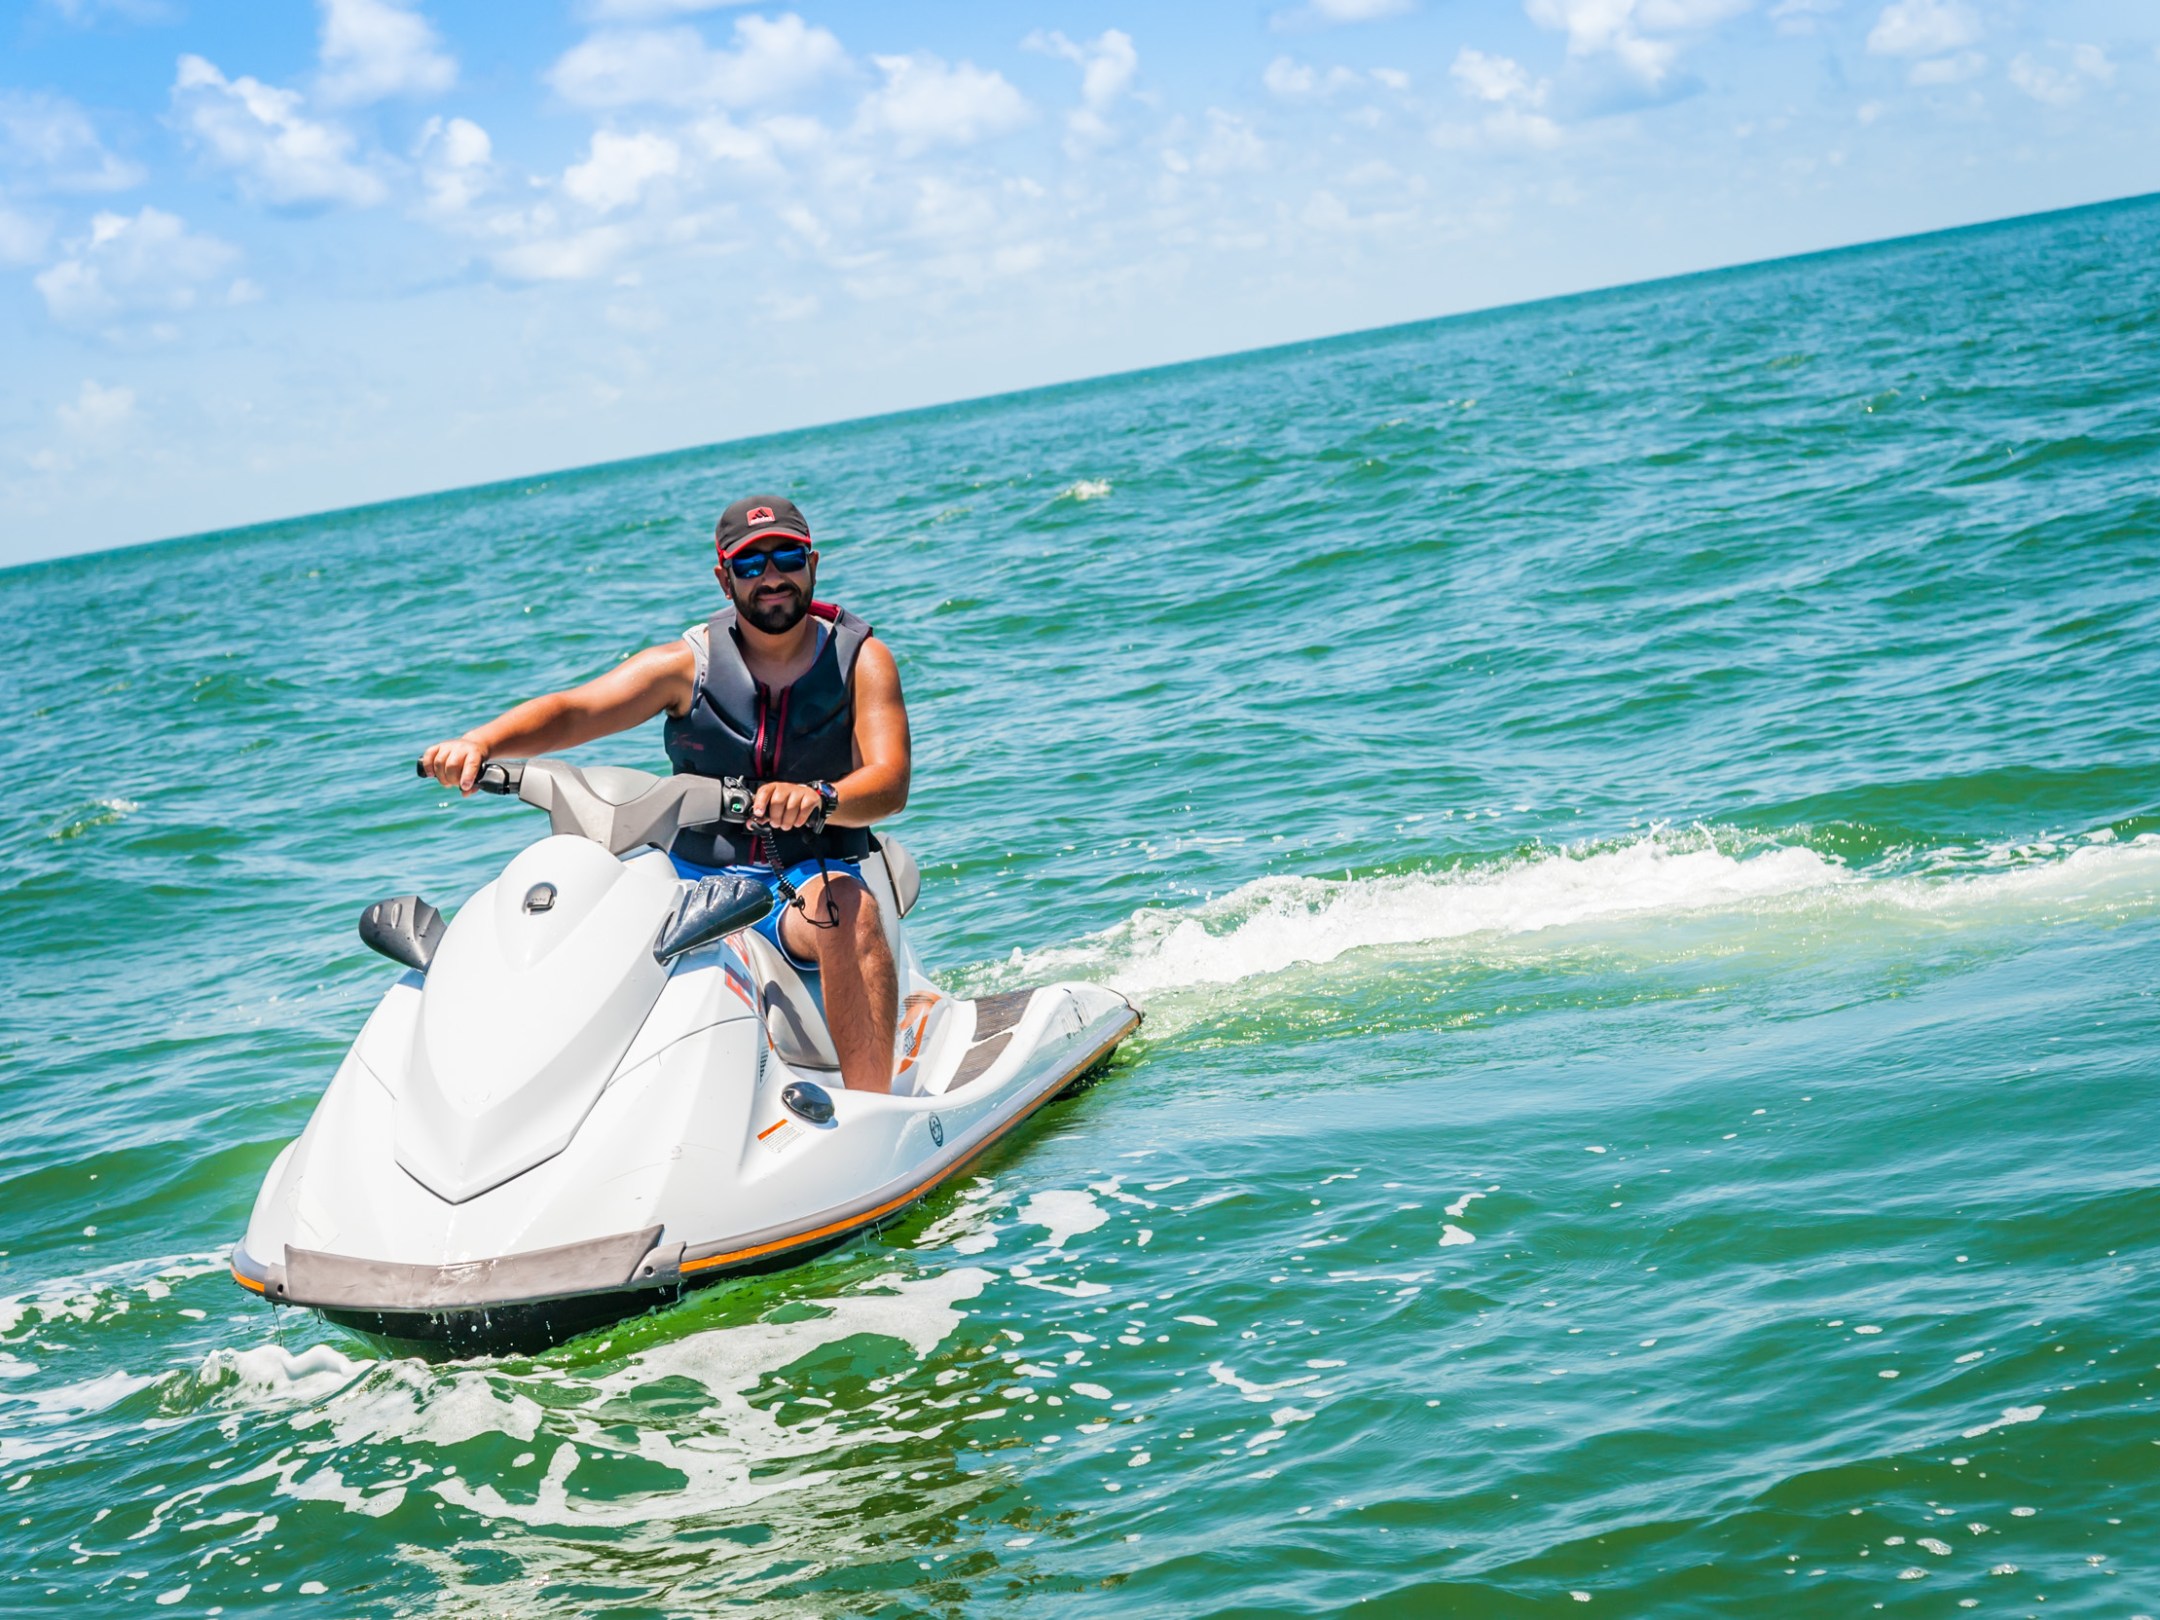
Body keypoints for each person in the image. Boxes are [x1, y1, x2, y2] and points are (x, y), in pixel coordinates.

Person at [418, 494, 911, 1092]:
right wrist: (480, 742)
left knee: (849, 913)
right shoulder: (687, 666)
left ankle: (873, 1113)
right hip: (687, 883)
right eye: (751, 565)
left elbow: (889, 783)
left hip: (802, 884)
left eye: (786, 557)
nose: (773, 577)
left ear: (813, 563)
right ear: (724, 578)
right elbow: (576, 711)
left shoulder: (861, 661)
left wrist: (821, 797)